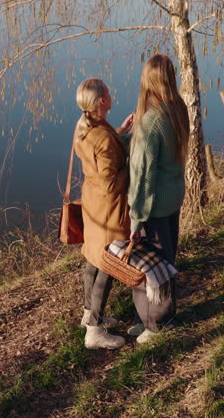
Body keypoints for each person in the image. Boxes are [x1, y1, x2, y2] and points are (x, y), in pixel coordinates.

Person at [127, 54, 190, 345]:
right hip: (173, 198)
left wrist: (136, 216)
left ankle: (157, 326)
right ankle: (159, 318)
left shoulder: (152, 121)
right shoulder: (178, 109)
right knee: (166, 260)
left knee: (151, 266)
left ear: (148, 81)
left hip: (153, 206)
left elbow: (142, 175)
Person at [73, 78, 134, 350]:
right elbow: (111, 182)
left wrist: (122, 131)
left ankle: (89, 314)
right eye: (108, 93)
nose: (111, 94)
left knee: (94, 258)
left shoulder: (85, 124)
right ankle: (95, 331)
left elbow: (101, 157)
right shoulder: (102, 136)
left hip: (93, 203)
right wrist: (133, 165)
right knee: (108, 264)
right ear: (101, 101)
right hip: (108, 210)